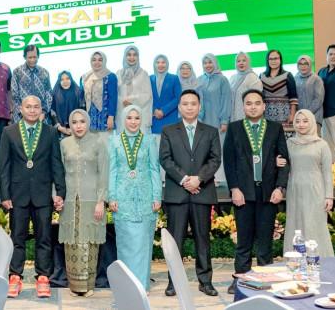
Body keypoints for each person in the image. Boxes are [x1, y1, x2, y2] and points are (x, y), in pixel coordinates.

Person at [0, 96, 66, 299]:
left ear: (41, 110)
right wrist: (5, 194)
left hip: (42, 194)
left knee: (44, 238)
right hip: (17, 195)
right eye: (28, 107)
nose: (32, 110)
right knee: (17, 238)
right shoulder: (9, 132)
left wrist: (60, 192)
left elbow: (56, 163)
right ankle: (15, 276)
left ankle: (43, 277)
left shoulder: (50, 132)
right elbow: (4, 166)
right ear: (21, 109)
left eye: (36, 107)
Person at [224, 89, 289, 294]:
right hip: (243, 193)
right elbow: (229, 161)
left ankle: (265, 279)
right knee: (243, 242)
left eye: (257, 103)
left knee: (265, 242)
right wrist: (234, 188)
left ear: (264, 106)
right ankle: (240, 280)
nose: (253, 107)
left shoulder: (275, 128)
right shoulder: (234, 128)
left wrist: (280, 187)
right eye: (249, 103)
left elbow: (284, 160)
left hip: (268, 193)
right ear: (243, 107)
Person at [159, 89, 222, 297]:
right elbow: (165, 159)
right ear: (179, 107)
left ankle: (205, 281)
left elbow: (215, 159)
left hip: (202, 192)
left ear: (199, 106)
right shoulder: (168, 131)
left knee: (202, 240)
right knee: (175, 241)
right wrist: (185, 180)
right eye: (185, 104)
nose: (189, 107)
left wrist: (198, 179)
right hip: (177, 193)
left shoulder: (210, 131)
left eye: (193, 104)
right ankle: (174, 282)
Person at [107, 104, 161, 292]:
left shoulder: (149, 140)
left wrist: (157, 196)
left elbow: (154, 169)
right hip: (122, 199)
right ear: (123, 119)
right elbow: (112, 170)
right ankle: (127, 287)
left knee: (143, 243)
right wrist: (112, 196)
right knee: (126, 243)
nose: (133, 121)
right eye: (129, 118)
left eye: (137, 118)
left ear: (141, 120)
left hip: (145, 198)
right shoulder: (114, 141)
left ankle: (142, 286)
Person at [58, 109, 108, 296]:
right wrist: (57, 196)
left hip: (91, 201)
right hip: (70, 201)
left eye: (82, 122)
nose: (78, 126)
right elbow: (59, 173)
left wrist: (101, 201)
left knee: (89, 243)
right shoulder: (64, 144)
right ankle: (74, 286)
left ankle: (88, 286)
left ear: (88, 123)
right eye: (74, 122)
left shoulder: (98, 142)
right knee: (72, 243)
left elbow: (104, 173)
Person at [282, 109, 334, 257]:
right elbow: (284, 164)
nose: (301, 125)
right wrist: (278, 162)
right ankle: (295, 260)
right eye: (298, 121)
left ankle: (319, 259)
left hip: (315, 190)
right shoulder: (290, 143)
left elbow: (327, 172)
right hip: (295, 189)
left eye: (305, 121)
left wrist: (329, 196)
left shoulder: (322, 144)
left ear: (311, 123)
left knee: (314, 224)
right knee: (295, 224)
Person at [10, 45, 52, 123]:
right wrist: (23, 112)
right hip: (21, 116)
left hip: (41, 117)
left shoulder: (44, 72)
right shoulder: (17, 72)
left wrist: (43, 112)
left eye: (35, 57)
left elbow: (48, 94)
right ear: (24, 57)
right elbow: (14, 95)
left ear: (38, 56)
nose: (32, 60)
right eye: (30, 57)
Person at [115, 45, 153, 133]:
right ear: (125, 56)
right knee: (123, 140)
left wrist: (132, 100)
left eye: (134, 55)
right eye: (129, 55)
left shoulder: (143, 73)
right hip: (122, 115)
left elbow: (148, 95)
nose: (132, 57)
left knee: (139, 141)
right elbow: (115, 94)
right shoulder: (118, 73)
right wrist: (122, 101)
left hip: (139, 116)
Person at [80, 51, 118, 136]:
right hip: (90, 118)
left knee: (106, 142)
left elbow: (113, 98)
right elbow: (83, 99)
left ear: (104, 61)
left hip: (105, 118)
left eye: (100, 60)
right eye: (94, 60)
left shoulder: (110, 76)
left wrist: (111, 117)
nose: (97, 62)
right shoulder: (85, 77)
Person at [260, 50, 298, 126]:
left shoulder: (288, 75)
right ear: (267, 60)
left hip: (284, 115)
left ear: (280, 60)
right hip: (267, 115)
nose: (273, 61)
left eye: (276, 58)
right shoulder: (262, 76)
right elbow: (260, 97)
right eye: (271, 59)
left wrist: (292, 115)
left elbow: (293, 98)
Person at [198, 53, 231, 137]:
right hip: (201, 120)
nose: (207, 65)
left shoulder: (222, 80)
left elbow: (226, 102)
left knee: (218, 143)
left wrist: (224, 121)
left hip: (217, 121)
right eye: (205, 63)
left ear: (215, 63)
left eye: (210, 62)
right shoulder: (199, 79)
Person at [150, 55, 181, 137]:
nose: (160, 65)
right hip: (155, 120)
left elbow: (178, 98)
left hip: (170, 118)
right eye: (158, 62)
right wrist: (154, 110)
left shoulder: (174, 78)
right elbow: (146, 98)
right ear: (154, 64)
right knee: (156, 144)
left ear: (167, 64)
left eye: (163, 62)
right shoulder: (149, 79)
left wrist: (163, 111)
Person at [229, 51, 262, 122]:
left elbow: (257, 101)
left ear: (248, 62)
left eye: (244, 60)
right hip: (233, 117)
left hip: (247, 118)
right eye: (238, 61)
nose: (241, 63)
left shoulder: (253, 78)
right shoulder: (232, 78)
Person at [51, 71, 85, 138]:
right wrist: (59, 127)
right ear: (59, 81)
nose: (65, 81)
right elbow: (52, 111)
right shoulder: (55, 94)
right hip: (60, 130)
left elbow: (82, 111)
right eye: (62, 79)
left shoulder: (78, 93)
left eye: (67, 78)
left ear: (71, 80)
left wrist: (74, 127)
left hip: (77, 129)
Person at [294, 55, 324, 128]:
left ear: (310, 65)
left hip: (314, 117)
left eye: (306, 64)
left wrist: (306, 114)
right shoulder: (295, 78)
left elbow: (318, 99)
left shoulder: (316, 79)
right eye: (300, 64)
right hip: (300, 118)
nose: (303, 66)